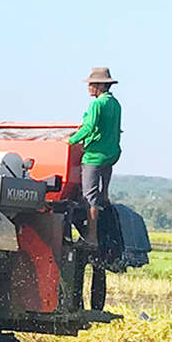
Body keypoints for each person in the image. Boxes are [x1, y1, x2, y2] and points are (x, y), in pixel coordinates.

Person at [68, 67, 122, 245]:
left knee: (88, 197)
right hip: (111, 154)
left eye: (91, 84)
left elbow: (89, 127)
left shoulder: (96, 104)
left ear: (100, 86)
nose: (88, 87)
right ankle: (105, 199)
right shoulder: (115, 104)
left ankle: (91, 237)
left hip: (95, 156)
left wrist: (69, 141)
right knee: (101, 196)